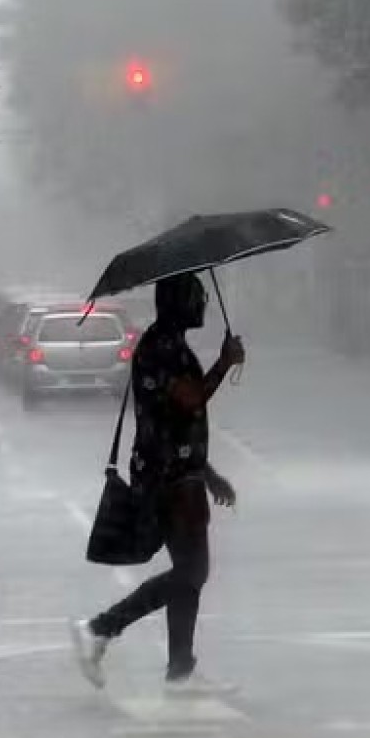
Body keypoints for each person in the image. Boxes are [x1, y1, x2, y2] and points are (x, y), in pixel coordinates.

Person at [71, 273, 245, 694]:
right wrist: (225, 362)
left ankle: (181, 669)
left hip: (180, 474)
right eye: (196, 297)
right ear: (178, 302)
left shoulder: (169, 343)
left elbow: (178, 421)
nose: (203, 303)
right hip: (167, 479)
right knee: (192, 571)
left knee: (191, 572)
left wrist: (207, 473)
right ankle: (100, 628)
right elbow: (189, 400)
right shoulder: (160, 348)